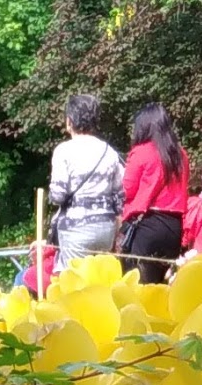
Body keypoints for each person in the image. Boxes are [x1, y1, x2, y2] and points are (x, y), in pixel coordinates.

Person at [116, 101, 193, 282]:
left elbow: (126, 190)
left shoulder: (142, 152)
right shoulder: (181, 155)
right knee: (161, 287)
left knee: (138, 285)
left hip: (148, 225)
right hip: (174, 227)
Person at [48, 91, 125, 268]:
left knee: (75, 279)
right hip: (105, 228)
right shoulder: (109, 151)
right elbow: (120, 194)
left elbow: (58, 195)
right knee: (99, 278)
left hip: (75, 227)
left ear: (70, 121)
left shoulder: (64, 151)